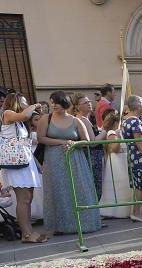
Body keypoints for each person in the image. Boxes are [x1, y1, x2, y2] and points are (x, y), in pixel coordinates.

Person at [36, 91, 101, 235]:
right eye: (52, 102)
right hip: (53, 160)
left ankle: (84, 224)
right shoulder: (46, 119)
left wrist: (73, 144)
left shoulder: (76, 120)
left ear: (65, 103)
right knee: (58, 191)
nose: (54, 105)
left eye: (57, 102)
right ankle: (59, 227)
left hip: (75, 159)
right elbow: (41, 138)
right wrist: (63, 142)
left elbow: (87, 141)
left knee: (78, 190)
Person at [0, 92, 46, 243]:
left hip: (25, 161)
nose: (26, 105)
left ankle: (29, 230)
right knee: (23, 198)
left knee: (29, 197)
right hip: (15, 164)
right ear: (16, 102)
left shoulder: (19, 122)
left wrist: (37, 164)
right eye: (24, 102)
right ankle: (26, 234)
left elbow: (24, 144)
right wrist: (33, 106)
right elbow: (25, 115)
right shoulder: (8, 113)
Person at [98, 111, 132, 218]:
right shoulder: (112, 133)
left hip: (124, 159)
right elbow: (115, 149)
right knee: (119, 184)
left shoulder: (121, 132)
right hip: (117, 161)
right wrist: (119, 136)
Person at [70, 92, 103, 200]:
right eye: (85, 103)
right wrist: (106, 131)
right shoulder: (82, 120)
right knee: (94, 184)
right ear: (77, 107)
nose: (89, 104)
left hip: (92, 156)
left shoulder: (85, 118)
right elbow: (92, 142)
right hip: (91, 156)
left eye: (89, 101)